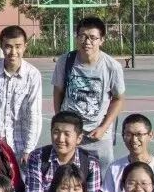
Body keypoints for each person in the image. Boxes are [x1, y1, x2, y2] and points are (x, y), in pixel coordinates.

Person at [52, 17, 126, 167]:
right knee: (66, 175)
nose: (87, 41)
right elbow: (58, 92)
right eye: (83, 36)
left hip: (98, 135)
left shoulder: (112, 67)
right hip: (69, 133)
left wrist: (103, 128)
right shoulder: (65, 61)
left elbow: (118, 99)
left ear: (101, 40)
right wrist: (61, 121)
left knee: (102, 177)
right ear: (77, 37)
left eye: (93, 37)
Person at [0, 25, 42, 165]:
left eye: (18, 46)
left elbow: (34, 114)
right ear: (1, 46)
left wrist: (28, 149)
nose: (13, 52)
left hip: (20, 147)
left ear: (25, 46)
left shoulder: (33, 75)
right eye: (8, 46)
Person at [25, 111, 102, 192]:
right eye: (56, 132)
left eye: (67, 134)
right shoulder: (38, 157)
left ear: (79, 138)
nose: (60, 139)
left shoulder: (90, 164)